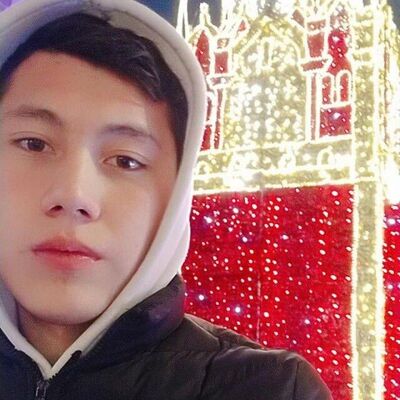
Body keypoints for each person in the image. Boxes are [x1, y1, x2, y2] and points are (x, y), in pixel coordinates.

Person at [0, 1, 333, 399]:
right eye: (34, 144)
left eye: (126, 160)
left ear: (176, 197)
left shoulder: (266, 388)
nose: (73, 196)